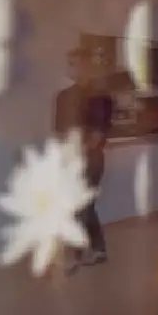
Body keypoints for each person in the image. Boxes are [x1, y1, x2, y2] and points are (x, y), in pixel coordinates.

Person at [54, 47, 113, 271]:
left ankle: (76, 256)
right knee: (83, 205)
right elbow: (60, 133)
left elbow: (97, 137)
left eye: (76, 63)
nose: (72, 68)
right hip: (70, 160)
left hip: (91, 162)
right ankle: (98, 249)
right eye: (70, 62)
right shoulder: (63, 97)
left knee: (80, 206)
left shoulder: (100, 98)